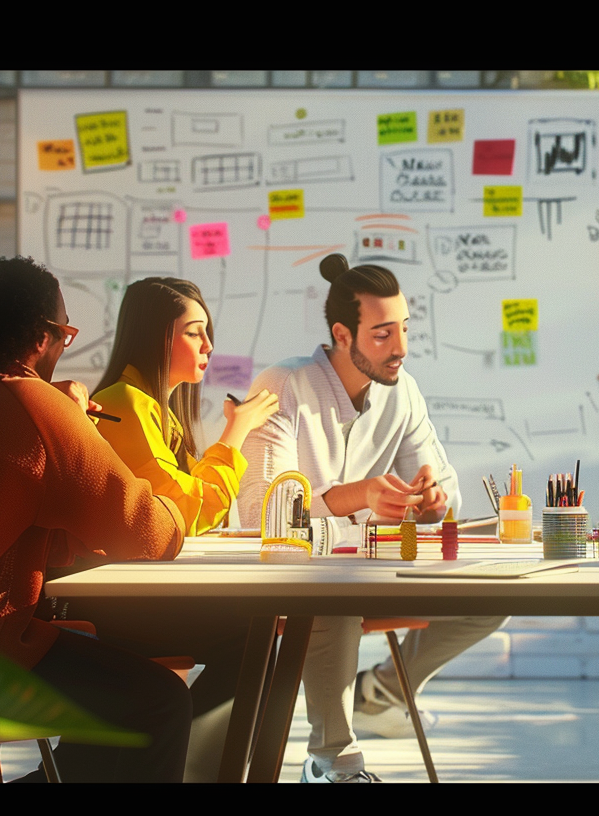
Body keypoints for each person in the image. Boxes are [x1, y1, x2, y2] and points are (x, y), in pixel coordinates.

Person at [0, 256, 192, 782]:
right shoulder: (32, 404)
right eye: (65, 335)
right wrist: (75, 428)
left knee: (112, 684)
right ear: (40, 337)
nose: (64, 348)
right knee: (157, 700)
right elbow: (150, 535)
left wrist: (62, 421)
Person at [237, 254, 506, 783]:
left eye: (404, 329)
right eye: (382, 334)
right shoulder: (284, 385)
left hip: (376, 569)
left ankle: (381, 687)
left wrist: (432, 502)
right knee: (335, 594)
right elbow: (258, 516)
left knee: (493, 592)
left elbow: (445, 491)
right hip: (304, 578)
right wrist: (354, 495)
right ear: (343, 333)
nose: (401, 348)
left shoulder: (401, 390)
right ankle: (332, 762)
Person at [80, 276, 279, 777]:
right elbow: (188, 511)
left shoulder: (158, 413)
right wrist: (236, 431)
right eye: (195, 332)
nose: (209, 345)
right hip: (105, 598)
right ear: (157, 336)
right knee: (253, 635)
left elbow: (192, 512)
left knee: (258, 632)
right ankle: (197, 771)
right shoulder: (124, 404)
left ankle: (189, 767)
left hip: (131, 588)